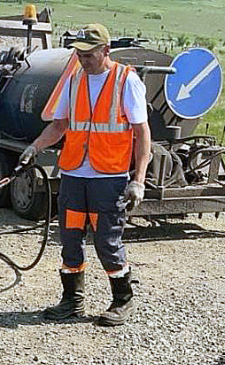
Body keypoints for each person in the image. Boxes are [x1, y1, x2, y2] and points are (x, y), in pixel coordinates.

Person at [19, 23, 151, 326]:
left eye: (89, 54)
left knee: (107, 241)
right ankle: (71, 302)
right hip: (75, 174)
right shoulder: (74, 80)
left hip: (110, 177)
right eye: (79, 53)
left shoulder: (125, 81)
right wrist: (35, 147)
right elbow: (59, 125)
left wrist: (138, 181)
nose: (83, 59)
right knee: (69, 240)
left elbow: (142, 134)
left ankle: (122, 301)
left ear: (105, 50)